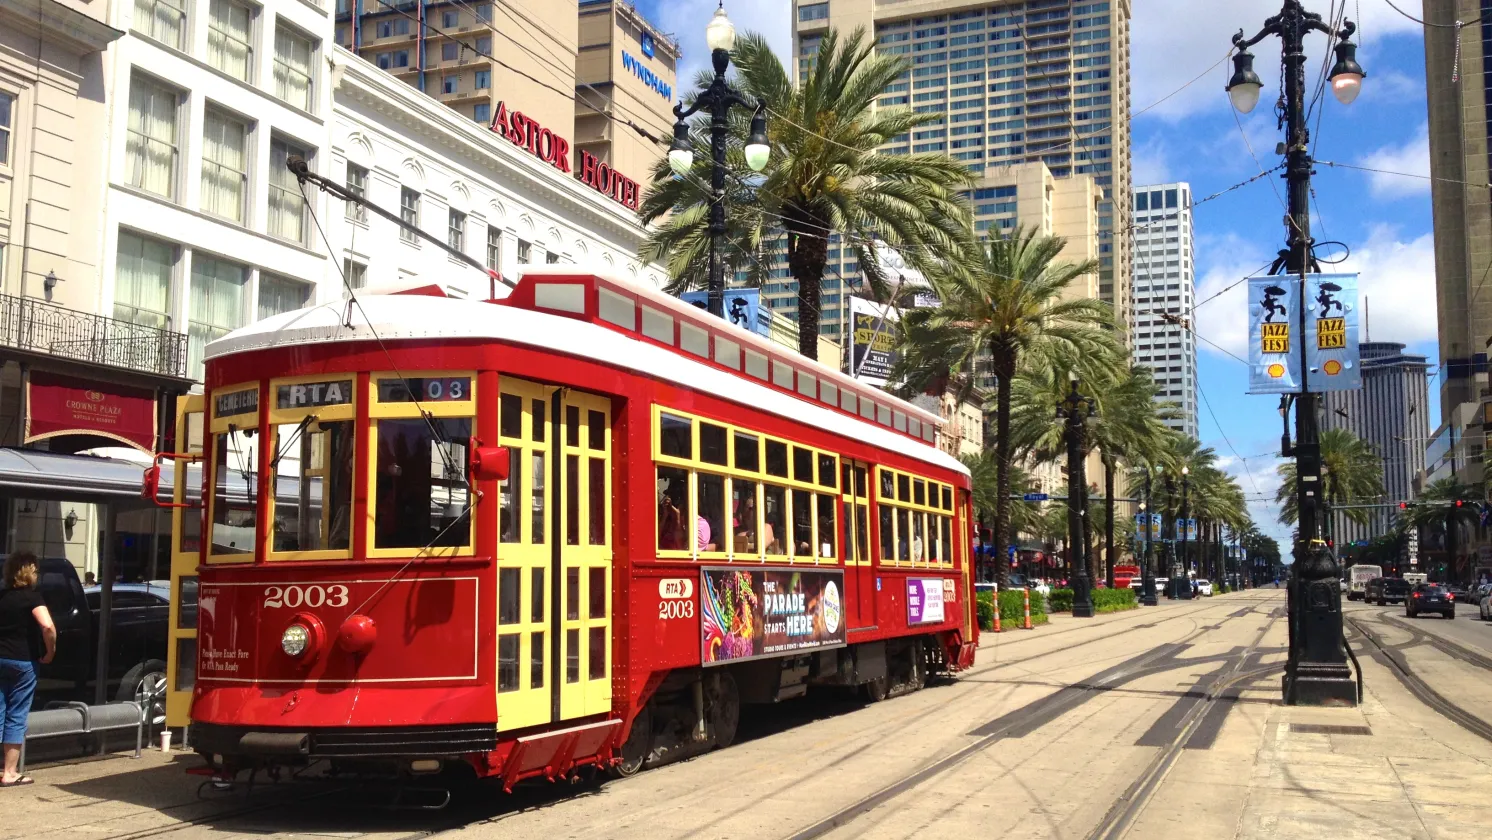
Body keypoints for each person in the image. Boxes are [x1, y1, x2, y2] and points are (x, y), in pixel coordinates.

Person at [0, 552, 55, 787]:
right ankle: (9, 772)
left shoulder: (1, 596)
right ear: (30, 572)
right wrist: (50, 651)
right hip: (23, 662)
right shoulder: (33, 598)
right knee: (17, 714)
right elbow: (47, 625)